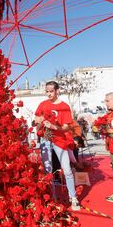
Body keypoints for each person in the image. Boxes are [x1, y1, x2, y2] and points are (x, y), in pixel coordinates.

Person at [35, 81, 80, 211]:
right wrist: (40, 121)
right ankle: (52, 197)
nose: (48, 93)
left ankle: (73, 197)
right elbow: (37, 120)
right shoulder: (42, 104)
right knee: (47, 170)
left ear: (57, 91)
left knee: (66, 169)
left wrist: (54, 126)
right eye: (47, 91)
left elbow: (66, 127)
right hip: (45, 139)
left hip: (59, 139)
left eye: (51, 91)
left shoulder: (65, 106)